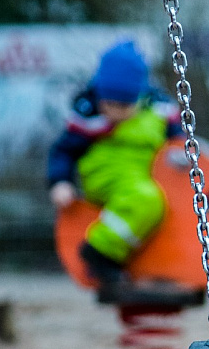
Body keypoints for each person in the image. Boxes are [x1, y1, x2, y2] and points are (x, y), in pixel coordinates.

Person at [47, 40, 182, 286]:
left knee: (165, 202)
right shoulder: (88, 117)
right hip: (106, 175)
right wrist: (60, 182)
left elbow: (179, 143)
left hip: (145, 175)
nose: (114, 112)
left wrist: (183, 158)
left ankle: (157, 262)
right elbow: (63, 151)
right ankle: (99, 251)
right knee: (146, 199)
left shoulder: (159, 111)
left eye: (124, 105)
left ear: (140, 97)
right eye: (108, 103)